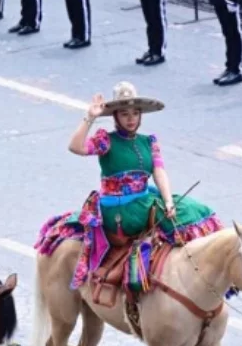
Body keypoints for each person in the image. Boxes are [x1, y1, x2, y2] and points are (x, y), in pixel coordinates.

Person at [35, 82, 223, 292]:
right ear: (115, 116)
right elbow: (75, 147)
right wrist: (90, 117)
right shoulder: (106, 141)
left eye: (135, 113)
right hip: (119, 208)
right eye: (124, 114)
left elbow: (159, 172)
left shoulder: (148, 141)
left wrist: (169, 201)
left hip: (144, 198)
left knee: (193, 209)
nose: (131, 119)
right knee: (171, 221)